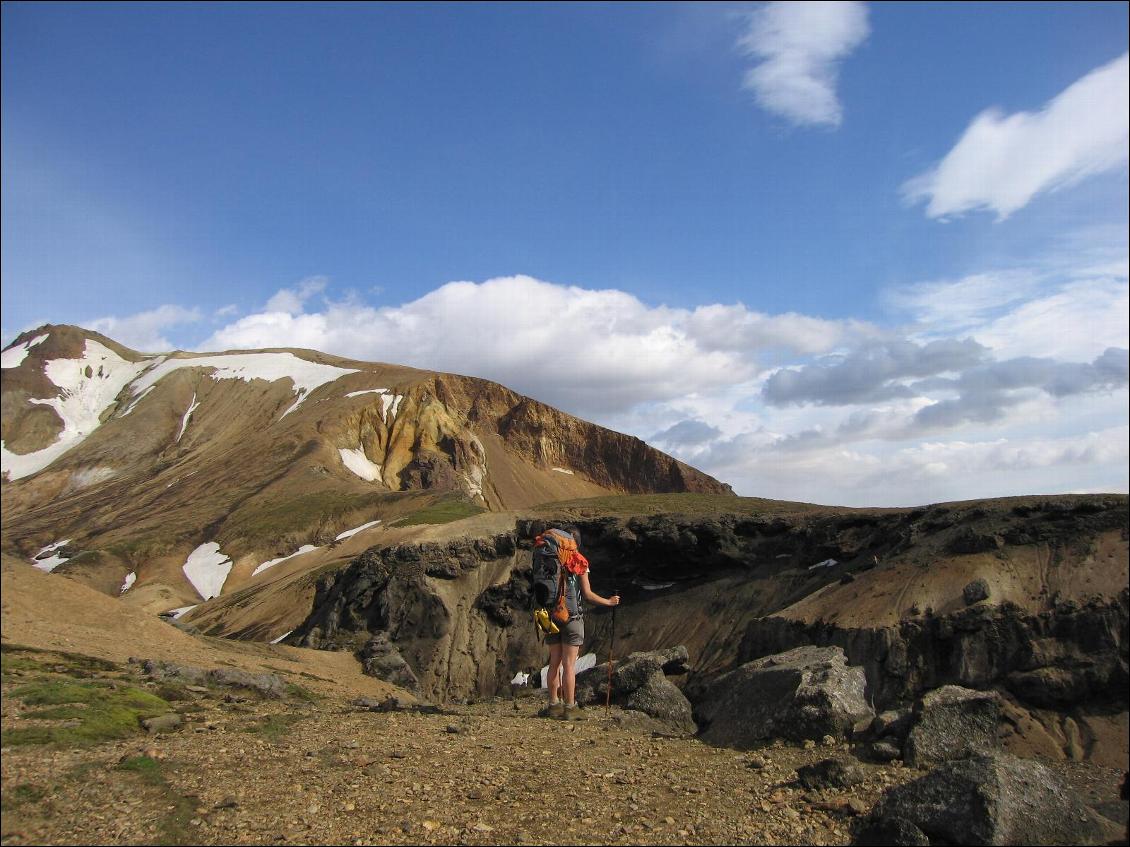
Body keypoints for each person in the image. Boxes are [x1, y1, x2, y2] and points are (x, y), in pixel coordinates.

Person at [542, 527, 619, 721]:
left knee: (554, 662)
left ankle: (553, 705)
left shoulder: (550, 560)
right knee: (569, 665)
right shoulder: (579, 561)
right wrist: (609, 602)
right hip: (572, 618)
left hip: (551, 616)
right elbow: (587, 594)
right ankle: (570, 707)